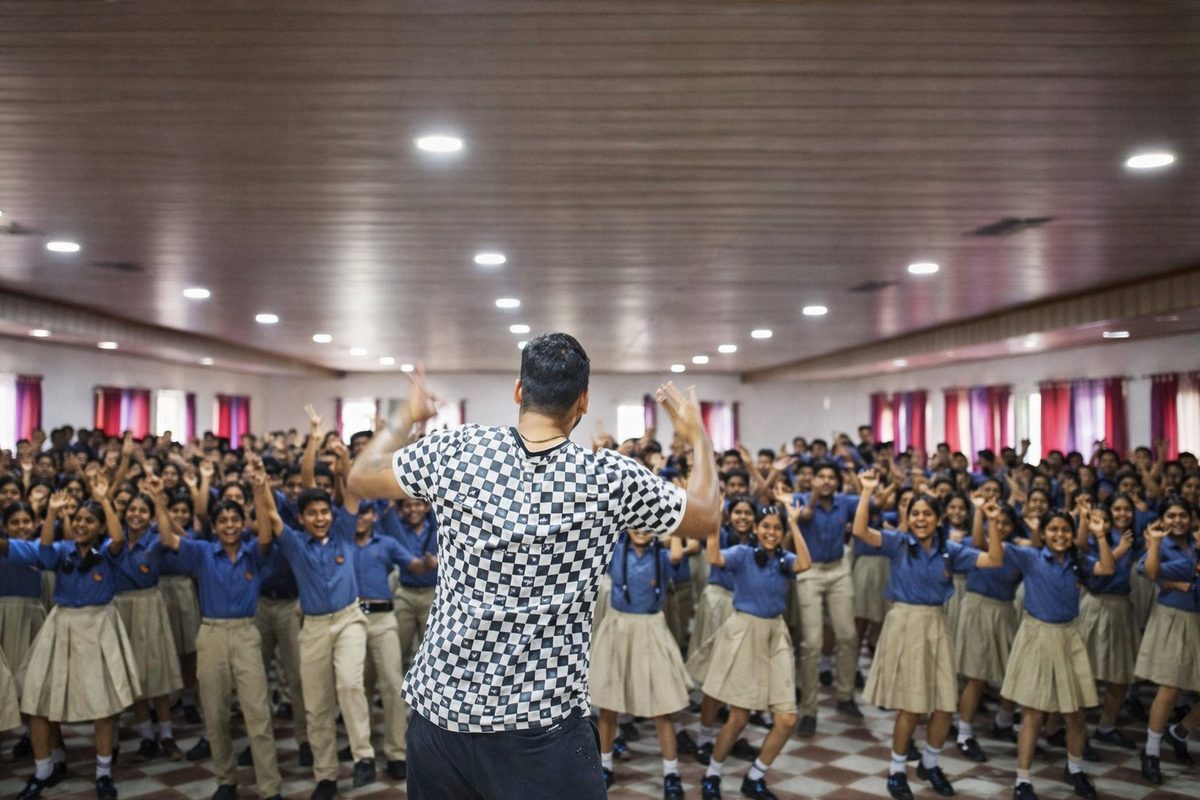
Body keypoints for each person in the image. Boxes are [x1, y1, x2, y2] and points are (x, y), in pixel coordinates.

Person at [346, 334, 722, 799]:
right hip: (540, 727)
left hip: (441, 714)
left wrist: (406, 415)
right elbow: (706, 514)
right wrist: (697, 435)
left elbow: (360, 477)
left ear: (519, 391)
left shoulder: (458, 451)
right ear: (582, 402)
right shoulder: (608, 479)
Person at [852, 469, 1005, 800]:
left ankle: (931, 764)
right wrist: (866, 490)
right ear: (908, 516)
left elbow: (994, 558)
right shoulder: (897, 543)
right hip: (904, 623)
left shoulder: (951, 550)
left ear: (938, 519)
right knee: (911, 706)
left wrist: (991, 520)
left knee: (944, 704)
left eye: (927, 514)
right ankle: (896, 772)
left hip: (936, 623)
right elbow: (860, 530)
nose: (920, 519)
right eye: (915, 513)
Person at [3, 481, 137, 800]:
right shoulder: (62, 550)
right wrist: (51, 513)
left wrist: (104, 501)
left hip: (98, 624)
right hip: (61, 623)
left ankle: (103, 773)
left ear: (100, 526)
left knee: (103, 706)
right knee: (36, 701)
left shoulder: (107, 553)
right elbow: (45, 549)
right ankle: (44, 770)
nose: (80, 524)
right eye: (76, 519)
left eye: (89, 521)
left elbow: (118, 538)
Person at [158, 465, 284, 800]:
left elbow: (268, 535)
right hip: (211, 634)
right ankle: (226, 780)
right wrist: (158, 499)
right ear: (214, 527)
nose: (229, 526)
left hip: (246, 634)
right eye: (223, 521)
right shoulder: (201, 552)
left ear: (243, 524)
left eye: (235, 520)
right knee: (214, 714)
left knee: (258, 715)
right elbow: (169, 538)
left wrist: (259, 490)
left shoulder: (254, 555)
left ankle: (270, 787)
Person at [259, 479, 375, 800]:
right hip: (312, 627)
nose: (321, 518)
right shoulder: (294, 545)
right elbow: (270, 511)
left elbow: (352, 491)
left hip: (349, 618)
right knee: (317, 703)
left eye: (325, 512)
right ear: (301, 518)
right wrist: (260, 484)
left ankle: (363, 757)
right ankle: (326, 774)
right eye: (312, 513)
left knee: (350, 684)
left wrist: (342, 462)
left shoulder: (343, 534)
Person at [699, 498, 812, 800]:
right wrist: (713, 518)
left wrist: (794, 523)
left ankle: (756, 775)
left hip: (776, 633)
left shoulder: (785, 559)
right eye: (766, 527)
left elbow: (805, 563)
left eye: (776, 528)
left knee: (787, 718)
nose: (772, 532)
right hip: (745, 630)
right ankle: (712, 774)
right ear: (756, 528)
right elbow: (713, 557)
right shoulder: (743, 554)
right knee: (738, 717)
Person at [1000, 510, 1116, 800]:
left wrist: (1100, 535)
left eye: (1066, 529)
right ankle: (1022, 780)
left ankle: (1075, 768)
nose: (1060, 535)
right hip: (1037, 634)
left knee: (1075, 712)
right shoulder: (1031, 557)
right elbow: (994, 548)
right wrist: (990, 519)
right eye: (1053, 529)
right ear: (1043, 532)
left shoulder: (1078, 563)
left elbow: (1106, 568)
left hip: (1069, 635)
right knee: (1033, 714)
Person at [591, 529, 690, 799]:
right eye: (636, 523)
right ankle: (605, 765)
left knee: (662, 707)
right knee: (609, 705)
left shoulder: (663, 553)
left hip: (651, 628)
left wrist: (672, 529)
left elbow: (679, 553)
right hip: (618, 626)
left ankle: (671, 772)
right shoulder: (615, 549)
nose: (642, 530)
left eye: (649, 525)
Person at [1134, 497, 1200, 785]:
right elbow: (1148, 572)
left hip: (1197, 620)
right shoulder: (1161, 544)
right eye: (1171, 515)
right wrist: (1156, 546)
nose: (1177, 520)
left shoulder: (1195, 544)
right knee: (1170, 688)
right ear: (1163, 519)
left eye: (1182, 515)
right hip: (1174, 619)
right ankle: (1151, 752)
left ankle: (1180, 732)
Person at [793, 461, 862, 736]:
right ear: (812, 479)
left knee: (847, 636)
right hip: (809, 571)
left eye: (830, 477)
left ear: (838, 481)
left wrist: (865, 486)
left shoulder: (844, 501)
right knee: (812, 643)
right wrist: (812, 492)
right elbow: (805, 516)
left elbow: (874, 503)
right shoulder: (800, 499)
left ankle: (845, 696)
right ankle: (809, 710)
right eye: (820, 476)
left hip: (838, 569)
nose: (825, 481)